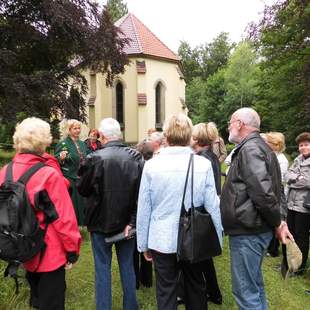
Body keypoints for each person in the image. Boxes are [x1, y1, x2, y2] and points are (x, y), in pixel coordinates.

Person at [137, 114, 222, 310]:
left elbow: (144, 208)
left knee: (166, 290)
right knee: (195, 286)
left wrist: (143, 244)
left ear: (166, 136)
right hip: (193, 236)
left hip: (161, 238)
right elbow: (213, 205)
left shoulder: (151, 165)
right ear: (190, 135)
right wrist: (217, 235)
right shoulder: (203, 164)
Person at [0, 117, 81, 310]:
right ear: (44, 141)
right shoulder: (48, 174)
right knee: (52, 302)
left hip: (21, 247)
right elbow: (64, 218)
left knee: (37, 300)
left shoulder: (5, 171)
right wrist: (72, 251)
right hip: (48, 252)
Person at [220, 107, 293, 310]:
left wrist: (278, 222)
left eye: (230, 122)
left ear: (240, 124)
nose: (228, 127)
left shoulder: (251, 149)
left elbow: (263, 192)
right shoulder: (257, 147)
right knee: (254, 285)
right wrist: (278, 220)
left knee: (245, 291)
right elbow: (272, 189)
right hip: (252, 228)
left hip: (248, 231)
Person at [77, 118, 144, 310]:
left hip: (105, 222)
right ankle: (130, 306)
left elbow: (82, 188)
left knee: (103, 268)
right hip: (126, 222)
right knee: (126, 266)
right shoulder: (135, 157)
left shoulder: (95, 158)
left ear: (103, 136)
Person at [189, 122, 222, 304]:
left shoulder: (203, 159)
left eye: (193, 136)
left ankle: (212, 292)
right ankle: (214, 292)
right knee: (204, 258)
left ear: (198, 139)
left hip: (203, 211)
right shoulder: (211, 156)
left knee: (201, 257)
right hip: (208, 210)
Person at [283, 132, 310, 275]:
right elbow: (287, 175)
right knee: (291, 234)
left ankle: (300, 268)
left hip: (304, 207)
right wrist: (297, 178)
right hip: (291, 204)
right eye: (301, 145)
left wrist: (294, 180)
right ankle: (289, 264)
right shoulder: (298, 159)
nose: (303, 147)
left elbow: (308, 181)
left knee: (302, 236)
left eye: (306, 144)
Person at [55, 119, 87, 226]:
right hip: (69, 178)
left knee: (82, 202)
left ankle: (82, 224)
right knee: (72, 203)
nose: (78, 130)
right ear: (69, 130)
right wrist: (61, 158)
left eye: (79, 128)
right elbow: (56, 160)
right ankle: (71, 225)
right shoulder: (63, 144)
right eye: (75, 128)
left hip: (82, 177)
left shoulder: (82, 144)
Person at [262, 132, 289, 257]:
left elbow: (278, 179)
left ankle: (273, 249)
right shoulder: (272, 155)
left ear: (276, 144)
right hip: (272, 189)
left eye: (269, 142)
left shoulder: (281, 159)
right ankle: (269, 246)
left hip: (277, 190)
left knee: (277, 219)